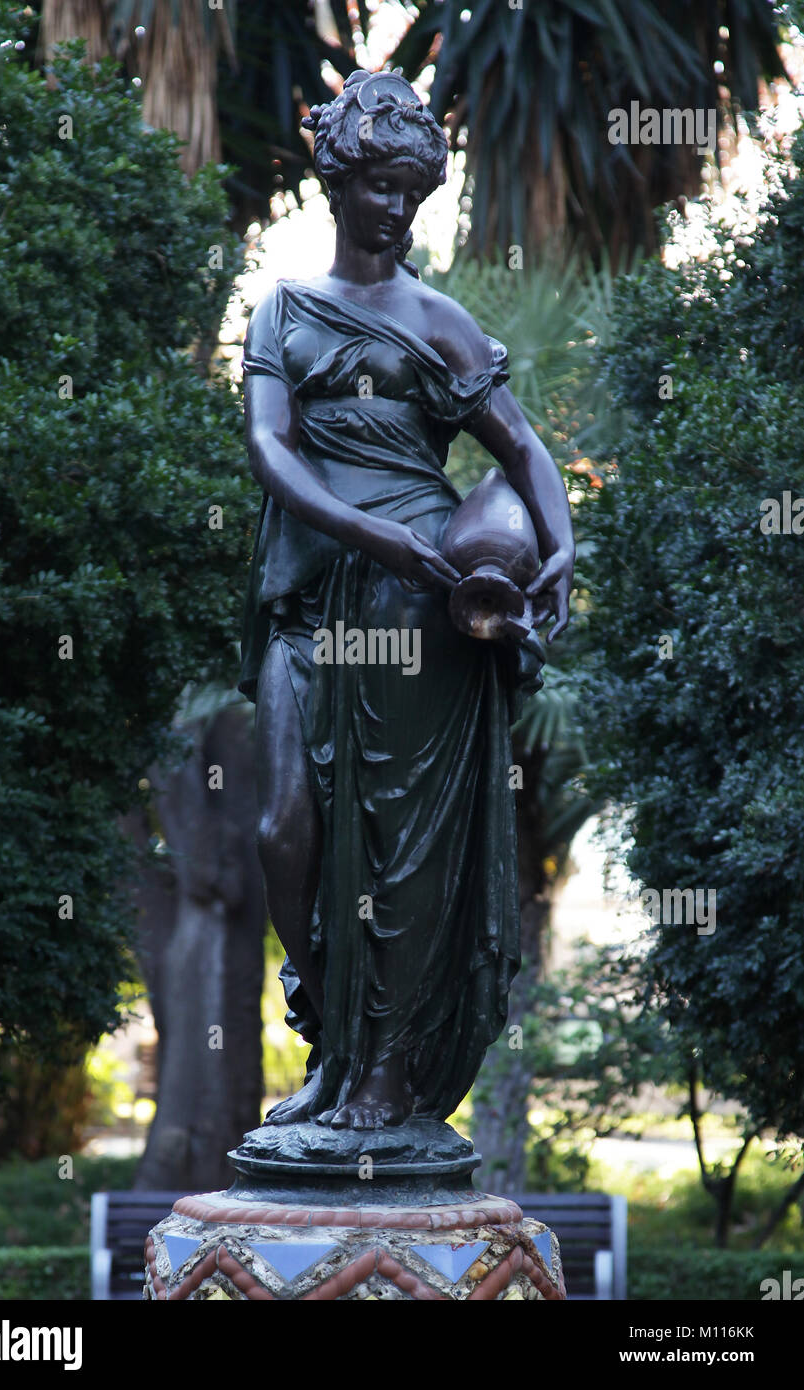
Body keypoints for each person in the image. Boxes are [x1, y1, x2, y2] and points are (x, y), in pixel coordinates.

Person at [239, 70, 574, 1131]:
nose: (394, 206)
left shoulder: (439, 321)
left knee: (401, 848)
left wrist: (561, 548)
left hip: (418, 608)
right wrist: (362, 529)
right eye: (378, 184)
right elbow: (270, 448)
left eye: (411, 190)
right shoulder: (284, 311)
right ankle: (330, 1036)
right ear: (337, 183)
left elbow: (523, 452)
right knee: (283, 827)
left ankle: (383, 1070)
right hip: (312, 588)